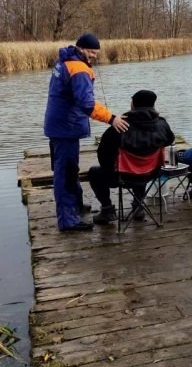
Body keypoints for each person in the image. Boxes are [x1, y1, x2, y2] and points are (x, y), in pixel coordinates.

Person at [43, 33, 128, 232]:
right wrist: (112, 118)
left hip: (58, 125)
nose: (94, 56)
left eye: (96, 53)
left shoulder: (64, 60)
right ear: (80, 48)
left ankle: (76, 205)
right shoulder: (79, 69)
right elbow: (87, 104)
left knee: (70, 169)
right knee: (65, 174)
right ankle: (68, 221)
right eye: (91, 52)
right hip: (66, 128)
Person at [89, 89, 175, 224]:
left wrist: (112, 168)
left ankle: (107, 210)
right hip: (151, 174)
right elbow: (170, 140)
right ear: (153, 105)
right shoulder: (162, 124)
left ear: (133, 104)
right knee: (142, 165)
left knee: (94, 172)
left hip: (123, 177)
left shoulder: (119, 126)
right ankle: (138, 207)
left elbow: (103, 155)